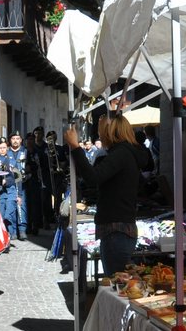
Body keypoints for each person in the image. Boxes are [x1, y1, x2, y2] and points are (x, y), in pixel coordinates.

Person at [64, 112, 153, 275]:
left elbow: (93, 177)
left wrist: (76, 148)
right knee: (118, 281)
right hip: (119, 227)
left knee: (117, 283)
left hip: (116, 229)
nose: (99, 134)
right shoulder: (124, 153)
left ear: (109, 131)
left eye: (100, 129)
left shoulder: (122, 153)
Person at [5, 131, 29, 240]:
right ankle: (12, 230)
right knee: (11, 206)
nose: (15, 140)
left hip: (22, 183)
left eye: (18, 138)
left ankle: (22, 229)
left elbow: (31, 166)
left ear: (21, 140)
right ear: (10, 140)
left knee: (21, 206)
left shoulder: (26, 152)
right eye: (13, 138)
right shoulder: (6, 151)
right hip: (10, 183)